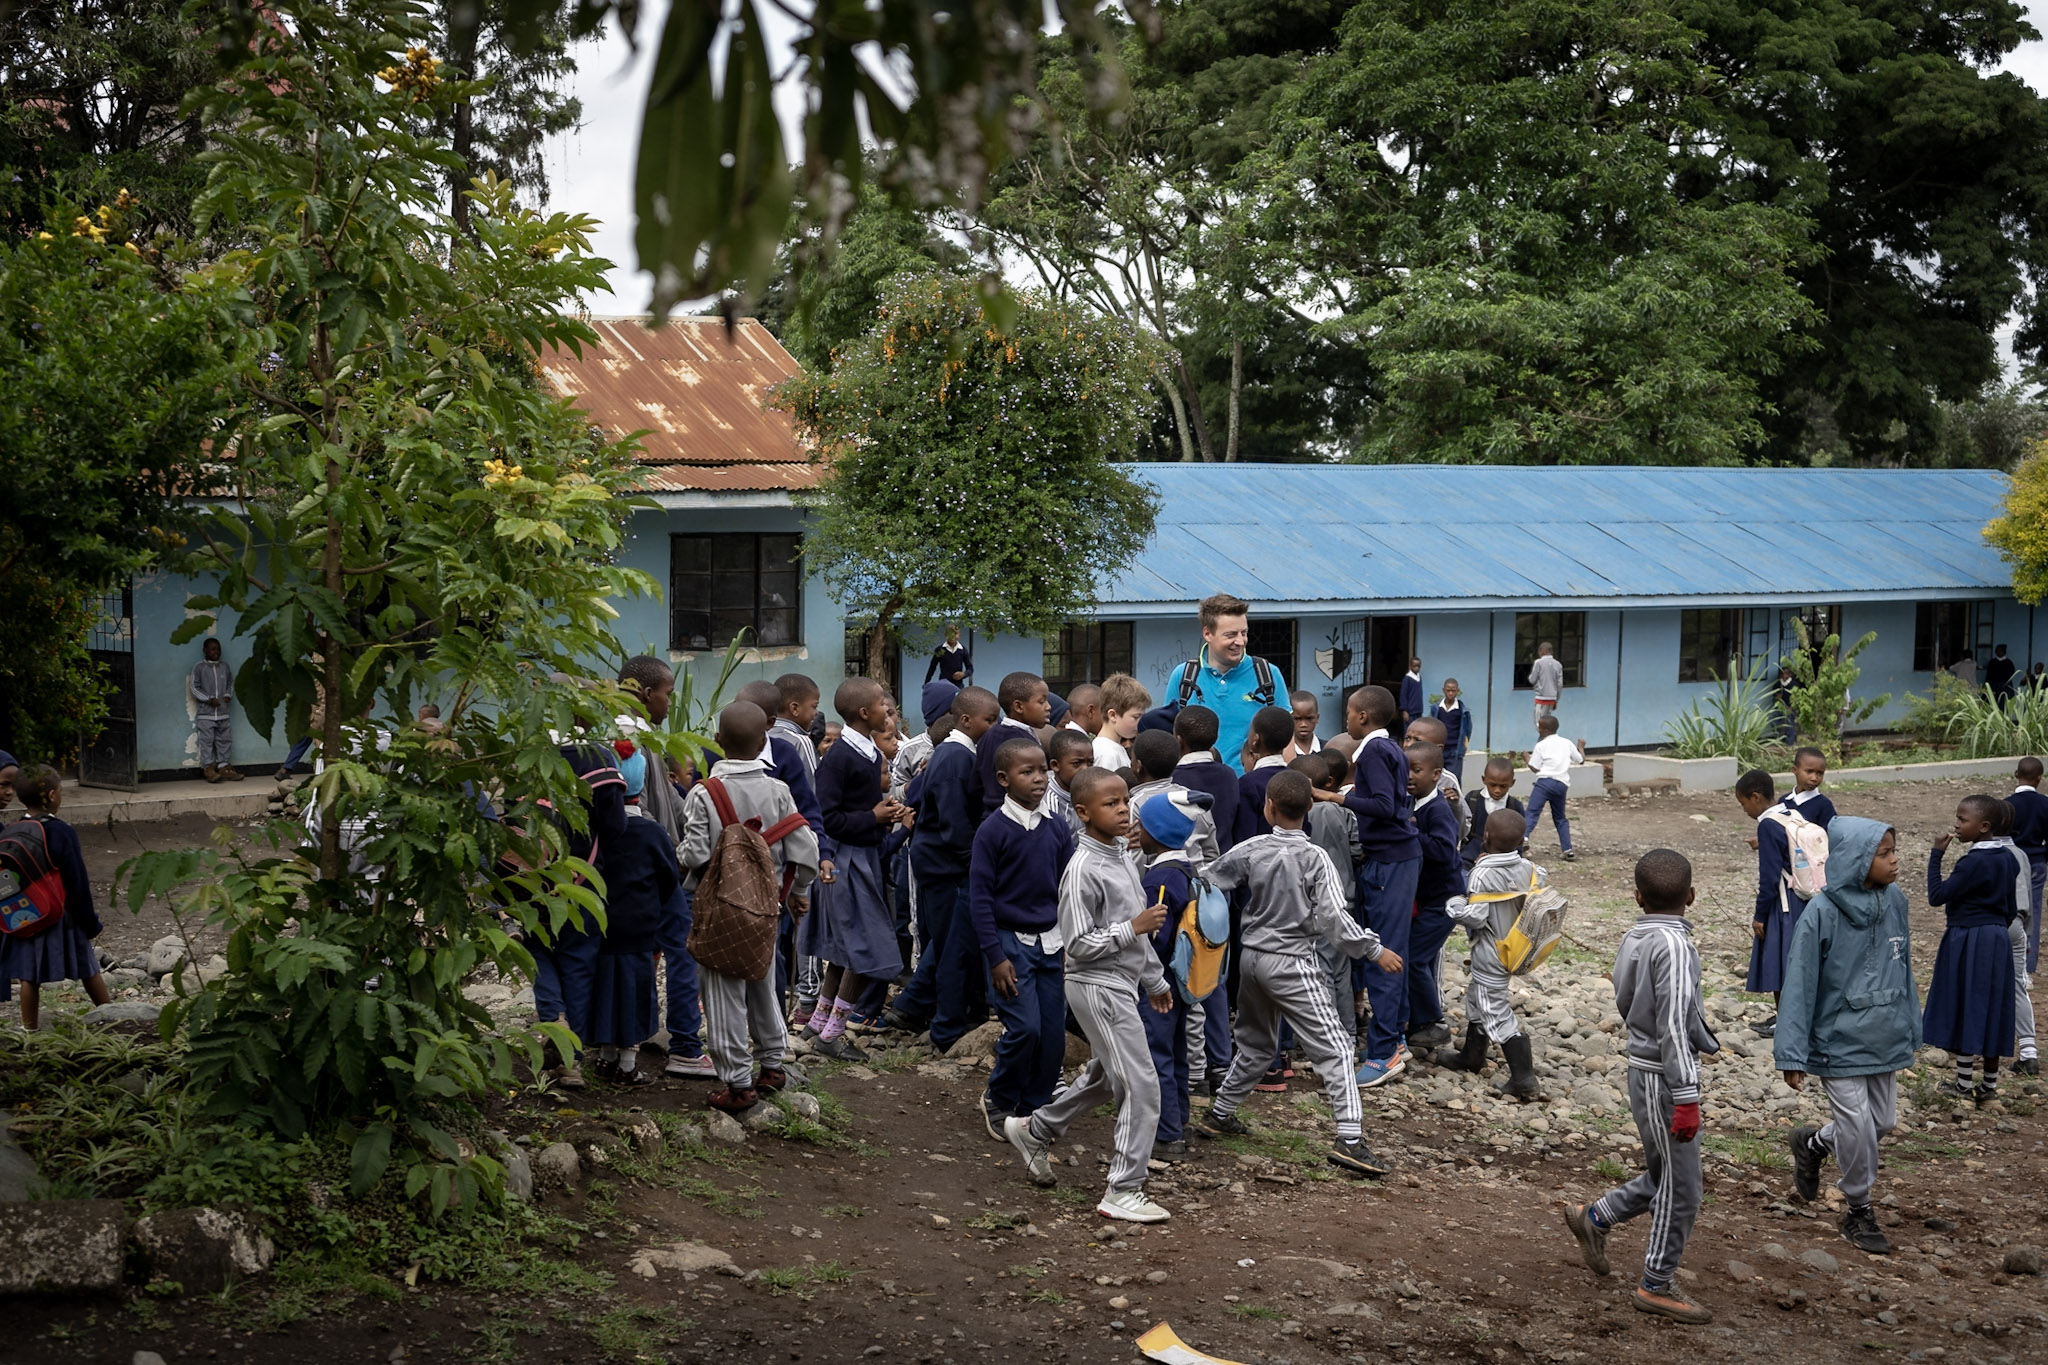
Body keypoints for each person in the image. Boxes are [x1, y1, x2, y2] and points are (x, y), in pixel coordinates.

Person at [1195, 770, 1401, 1177]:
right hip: (1291, 963)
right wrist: (1375, 950)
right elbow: (1335, 921)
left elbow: (1206, 879)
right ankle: (1351, 1140)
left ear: (1267, 806)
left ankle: (1219, 1115)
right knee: (1338, 1049)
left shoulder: (1252, 848)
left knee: (1255, 1046)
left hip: (1251, 959)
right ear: (1310, 806)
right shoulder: (1315, 858)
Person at [1003, 768, 1172, 1221]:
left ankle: (1034, 1130)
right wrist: (1131, 928)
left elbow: (1140, 925)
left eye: (1123, 801)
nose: (1122, 810)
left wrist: (1153, 979)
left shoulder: (1119, 857)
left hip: (1120, 984)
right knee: (1140, 1086)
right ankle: (1123, 1189)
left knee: (1102, 1078)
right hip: (1096, 987)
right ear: (1082, 812)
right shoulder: (1082, 869)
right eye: (1109, 804)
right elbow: (1076, 944)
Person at [1563, 849, 1719, 1325]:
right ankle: (1655, 1283)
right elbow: (1672, 1022)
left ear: (1637, 896)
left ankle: (1596, 1217)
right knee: (1684, 1188)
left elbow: (1627, 997)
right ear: (1691, 896)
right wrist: (1687, 1096)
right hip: (1662, 1077)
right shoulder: (1673, 946)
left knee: (1666, 1174)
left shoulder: (1636, 935)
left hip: (1645, 1068)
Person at [1777, 818, 1917, 1257]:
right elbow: (1799, 982)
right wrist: (1792, 1051)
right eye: (1884, 853)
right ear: (1857, 860)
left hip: (1883, 1035)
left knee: (1882, 1124)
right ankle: (1858, 1209)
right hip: (1837, 1039)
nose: (1895, 860)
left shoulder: (1895, 901)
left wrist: (1911, 1025)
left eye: (1895, 850)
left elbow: (1904, 967)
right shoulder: (1822, 912)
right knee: (1858, 1128)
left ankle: (1814, 1142)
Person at [679, 701, 821, 1114]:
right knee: (763, 981)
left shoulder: (704, 793)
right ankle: (773, 1065)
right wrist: (798, 890)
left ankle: (738, 1085)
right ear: (764, 742)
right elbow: (807, 849)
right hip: (765, 909)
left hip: (720, 911)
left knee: (723, 995)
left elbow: (694, 853)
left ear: (718, 741)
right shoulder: (778, 791)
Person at [971, 736, 1075, 1138]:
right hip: (1011, 944)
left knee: (1053, 1036)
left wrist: (1068, 942)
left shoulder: (1055, 829)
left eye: (1042, 771)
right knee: (1025, 1028)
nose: (1038, 779)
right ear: (1003, 779)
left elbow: (1068, 890)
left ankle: (1034, 1106)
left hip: (1051, 942)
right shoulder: (993, 831)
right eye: (1026, 772)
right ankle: (999, 1097)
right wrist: (995, 956)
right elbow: (980, 900)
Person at [887, 688, 1000, 1047]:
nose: (994, 726)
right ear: (965, 719)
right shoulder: (954, 758)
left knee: (949, 942)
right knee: (954, 949)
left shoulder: (960, 753)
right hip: (945, 867)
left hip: (944, 864)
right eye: (989, 719)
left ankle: (914, 1006)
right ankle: (947, 1027)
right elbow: (953, 823)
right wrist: (974, 864)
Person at [806, 677, 909, 1061]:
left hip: (862, 855)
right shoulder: (841, 757)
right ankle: (831, 1035)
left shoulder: (866, 751)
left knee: (847, 949)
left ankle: (819, 1023)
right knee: (869, 949)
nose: (889, 711)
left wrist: (883, 816)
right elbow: (825, 817)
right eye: (884, 705)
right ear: (865, 714)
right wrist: (872, 815)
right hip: (845, 859)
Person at [1342, 684, 1421, 1087]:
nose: (1347, 718)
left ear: (1363, 717)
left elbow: (1386, 807)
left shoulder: (1373, 752)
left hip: (1392, 859)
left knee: (1383, 953)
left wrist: (1337, 798)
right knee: (1395, 949)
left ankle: (1383, 1051)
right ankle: (1396, 1038)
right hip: (1396, 857)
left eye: (1349, 712)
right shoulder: (1391, 748)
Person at [1438, 809, 1546, 1100]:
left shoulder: (1482, 872)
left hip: (1490, 951)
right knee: (1477, 996)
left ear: (1485, 836)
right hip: (1516, 946)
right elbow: (1540, 880)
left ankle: (1523, 1078)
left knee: (1493, 1007)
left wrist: (1454, 904)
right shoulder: (1528, 867)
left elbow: (1475, 917)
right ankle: (1472, 1055)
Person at [588, 744, 676, 1087]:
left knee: (605, 992)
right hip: (640, 932)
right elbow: (669, 878)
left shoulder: (594, 831)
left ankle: (605, 1056)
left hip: (601, 929)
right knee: (635, 994)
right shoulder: (652, 834)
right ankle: (627, 1064)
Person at [0, 766, 113, 1028]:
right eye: (61, 792)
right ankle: (111, 1017)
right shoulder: (62, 832)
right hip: (61, 915)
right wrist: (90, 923)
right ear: (51, 795)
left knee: (29, 977)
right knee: (88, 968)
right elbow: (77, 882)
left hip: (27, 916)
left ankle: (30, 1030)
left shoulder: (10, 831)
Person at [1924, 795, 2019, 1102]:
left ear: (1984, 826)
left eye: (1963, 820)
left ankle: (1964, 1085)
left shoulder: (1973, 861)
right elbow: (2009, 909)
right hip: (1996, 938)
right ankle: (1989, 1088)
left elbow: (1937, 896)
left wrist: (1937, 855)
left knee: (1966, 1004)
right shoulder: (2008, 858)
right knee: (1994, 1007)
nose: (1957, 824)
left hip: (1969, 936)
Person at [1134, 793, 1199, 1161]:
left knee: (1156, 1055)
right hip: (1184, 979)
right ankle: (1181, 1122)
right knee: (1177, 1054)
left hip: (1161, 984)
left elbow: (1153, 938)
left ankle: (1167, 1134)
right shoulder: (1187, 870)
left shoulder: (1160, 878)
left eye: (1141, 825)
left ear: (1155, 833)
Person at [1165, 593, 1289, 776]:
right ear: (1207, 633)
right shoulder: (1183, 677)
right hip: (1196, 791)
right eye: (1230, 635)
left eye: (1244, 633)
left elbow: (1287, 738)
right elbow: (1170, 738)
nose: (1240, 641)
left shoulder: (1268, 675)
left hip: (1254, 791)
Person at [1404, 742, 1465, 1055]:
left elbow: (1443, 850)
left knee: (1413, 956)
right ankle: (1417, 1021)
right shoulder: (1412, 804)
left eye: (1417, 770)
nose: (1410, 776)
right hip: (1429, 899)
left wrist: (1412, 832)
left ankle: (1433, 1023)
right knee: (1420, 957)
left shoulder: (1437, 809)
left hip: (1445, 899)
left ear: (1437, 774)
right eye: (1407, 770)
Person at [1736, 769, 1803, 1033]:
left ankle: (1785, 1023)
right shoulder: (1790, 813)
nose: (1745, 810)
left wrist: (1759, 915)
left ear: (1755, 797)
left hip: (1782, 903)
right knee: (1798, 960)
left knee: (1779, 962)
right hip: (1803, 897)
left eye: (1744, 804)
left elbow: (1769, 877)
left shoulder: (1766, 824)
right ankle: (1798, 1019)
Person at [977, 671, 1053, 813]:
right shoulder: (1023, 744)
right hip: (1017, 816)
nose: (1048, 707)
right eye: (1041, 701)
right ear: (1018, 707)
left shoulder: (988, 736)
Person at [1522, 714, 1582, 861]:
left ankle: (1523, 838)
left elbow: (1535, 768)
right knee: (1560, 817)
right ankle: (1567, 849)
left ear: (1545, 730)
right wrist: (1581, 746)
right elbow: (1580, 760)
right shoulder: (1567, 743)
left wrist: (1526, 759)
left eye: (1539, 726)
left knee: (1532, 812)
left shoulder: (1541, 745)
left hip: (1544, 783)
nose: (1537, 728)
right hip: (1561, 785)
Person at [2010, 757, 2048, 989]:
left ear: (2016, 774)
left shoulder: (2006, 805)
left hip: (2011, 861)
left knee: (2007, 908)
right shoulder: (2045, 804)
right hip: (2035, 862)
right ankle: (2026, 968)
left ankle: (2009, 962)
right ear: (2039, 779)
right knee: (2032, 911)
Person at [1235, 705, 1296, 840]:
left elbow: (1245, 835)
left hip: (1259, 858)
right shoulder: (1297, 780)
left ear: (1255, 739)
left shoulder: (1248, 783)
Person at [189, 637, 243, 782]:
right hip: (206, 714)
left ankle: (224, 767)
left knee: (224, 740)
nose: (216, 652)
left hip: (223, 713)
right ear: (204, 650)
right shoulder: (199, 667)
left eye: (218, 649)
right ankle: (208, 769)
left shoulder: (224, 667)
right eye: (212, 649)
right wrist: (208, 699)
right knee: (206, 741)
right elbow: (194, 687)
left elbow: (230, 683)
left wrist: (227, 695)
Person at [1462, 757, 1524, 869]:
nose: (1497, 790)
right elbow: (1463, 830)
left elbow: (1518, 839)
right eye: (1492, 785)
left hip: (1502, 863)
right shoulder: (1472, 799)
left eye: (1503, 786)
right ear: (1484, 779)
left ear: (1512, 783)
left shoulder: (1515, 806)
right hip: (1470, 859)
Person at [1094, 674, 1150, 772]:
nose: (1141, 722)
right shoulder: (1106, 754)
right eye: (1136, 717)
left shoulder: (1114, 748)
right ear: (1113, 715)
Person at [1043, 728, 1094, 835]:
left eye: (1090, 763)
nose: (1085, 769)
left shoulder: (1091, 792)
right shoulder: (1051, 804)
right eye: (1077, 763)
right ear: (1055, 765)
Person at [1779, 747, 1836, 831]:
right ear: (1795, 770)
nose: (1814, 778)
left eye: (1820, 773)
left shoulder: (1824, 805)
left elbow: (1829, 835)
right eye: (1809, 771)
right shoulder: (1783, 802)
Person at [1432, 678, 1472, 784]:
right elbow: (1431, 726)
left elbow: (1467, 730)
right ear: (1443, 690)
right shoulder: (1436, 708)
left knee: (1454, 779)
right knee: (1436, 779)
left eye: (1453, 690)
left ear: (1457, 691)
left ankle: (1455, 800)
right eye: (1448, 690)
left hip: (1454, 750)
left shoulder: (1463, 711)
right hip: (1439, 749)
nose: (1450, 693)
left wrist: (1462, 748)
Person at [1527, 640, 1564, 720]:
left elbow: (1532, 680)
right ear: (1551, 651)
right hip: (1552, 699)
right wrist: (1556, 699)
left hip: (1541, 698)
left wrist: (1530, 677)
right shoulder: (1558, 664)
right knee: (1547, 722)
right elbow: (1560, 684)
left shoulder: (1538, 662)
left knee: (1539, 723)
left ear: (1541, 651)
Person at [1289, 689, 1323, 755]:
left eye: (1309, 718)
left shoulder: (1327, 748)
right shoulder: (1282, 752)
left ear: (1317, 718)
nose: (1303, 724)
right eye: (1297, 719)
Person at [1773, 665, 1798, 746]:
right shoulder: (1777, 684)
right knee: (1776, 723)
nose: (1784, 676)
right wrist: (1780, 703)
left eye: (1786, 674)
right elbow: (1776, 697)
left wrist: (1791, 708)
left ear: (1790, 674)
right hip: (1780, 707)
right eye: (1782, 674)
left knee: (1790, 725)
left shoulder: (1794, 685)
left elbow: (1796, 698)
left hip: (1790, 707)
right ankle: (1778, 741)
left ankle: (1789, 743)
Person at [1398, 657, 1424, 730]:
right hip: (1410, 712)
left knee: (1417, 730)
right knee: (1409, 730)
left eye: (1418, 666)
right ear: (1410, 666)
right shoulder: (1407, 679)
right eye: (1415, 666)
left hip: (1418, 710)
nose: (1417, 668)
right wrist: (1404, 710)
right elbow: (1403, 695)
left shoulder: (1419, 677)